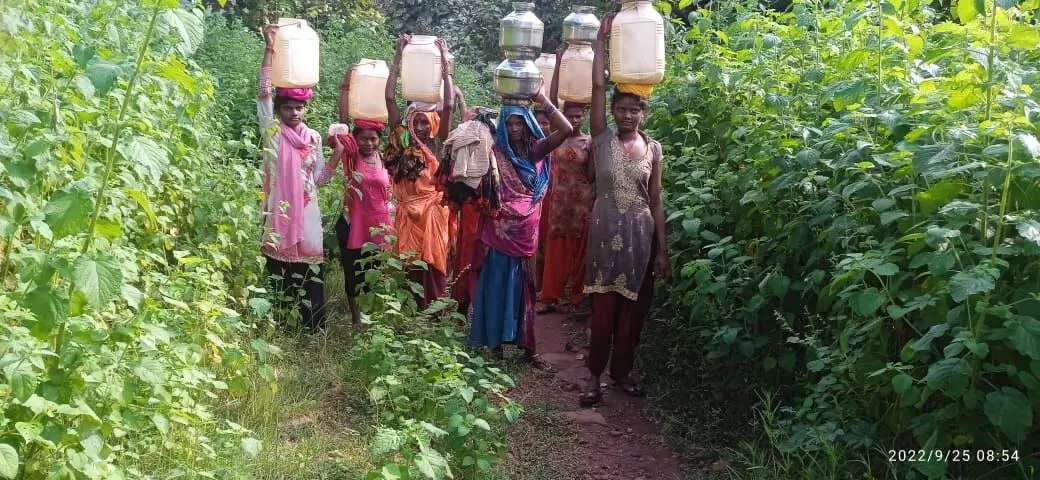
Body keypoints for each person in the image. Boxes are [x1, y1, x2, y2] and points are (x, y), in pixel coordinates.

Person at [580, 10, 671, 407]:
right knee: (602, 313)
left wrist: (663, 250)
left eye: (635, 109)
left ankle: (621, 372)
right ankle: (594, 377)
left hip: (640, 236)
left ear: (644, 113)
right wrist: (601, 41)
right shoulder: (600, 138)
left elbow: (656, 199)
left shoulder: (654, 149)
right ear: (612, 111)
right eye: (622, 108)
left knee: (633, 312)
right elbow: (597, 87)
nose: (628, 114)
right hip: (604, 236)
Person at [468, 86, 573, 370]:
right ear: (503, 124)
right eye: (509, 122)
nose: (514, 128)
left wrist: (542, 99)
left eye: (519, 122)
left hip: (525, 230)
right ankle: (495, 344)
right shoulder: (494, 150)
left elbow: (564, 130)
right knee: (496, 282)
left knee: (524, 288)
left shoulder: (535, 150)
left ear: (527, 123)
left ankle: (528, 348)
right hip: (498, 228)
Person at [258, 25, 327, 332]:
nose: (294, 113)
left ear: (305, 109)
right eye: (288, 108)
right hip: (280, 210)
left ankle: (313, 327)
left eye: (299, 108)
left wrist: (338, 156)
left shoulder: (314, 138)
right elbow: (263, 94)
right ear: (280, 110)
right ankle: (283, 324)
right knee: (279, 267)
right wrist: (270, 50)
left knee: (310, 265)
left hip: (308, 212)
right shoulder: (272, 133)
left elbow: (320, 178)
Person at [318, 64, 393, 326]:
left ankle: (371, 315)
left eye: (373, 139)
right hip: (353, 225)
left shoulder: (385, 159)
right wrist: (347, 85)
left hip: (380, 227)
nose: (369, 143)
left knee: (374, 272)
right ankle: (356, 320)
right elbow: (343, 123)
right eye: (364, 139)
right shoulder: (351, 157)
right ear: (356, 139)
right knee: (354, 272)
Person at [384, 35, 456, 309]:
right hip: (407, 217)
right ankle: (410, 318)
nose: (421, 128)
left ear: (434, 124)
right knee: (409, 270)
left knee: (434, 269)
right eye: (417, 121)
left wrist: (446, 69)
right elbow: (390, 98)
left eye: (425, 123)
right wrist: (397, 58)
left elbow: (448, 106)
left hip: (433, 217)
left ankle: (433, 319)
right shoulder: (400, 143)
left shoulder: (438, 145)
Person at [538, 44, 595, 316]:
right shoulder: (556, 138)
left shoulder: (590, 142)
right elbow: (550, 100)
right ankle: (550, 297)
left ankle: (575, 299)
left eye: (577, 115)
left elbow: (592, 175)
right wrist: (560, 62)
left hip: (581, 203)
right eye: (569, 116)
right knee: (555, 249)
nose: (573, 120)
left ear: (583, 116)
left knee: (580, 251)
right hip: (558, 201)